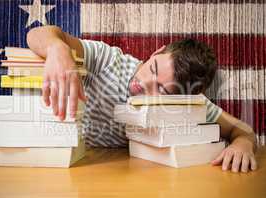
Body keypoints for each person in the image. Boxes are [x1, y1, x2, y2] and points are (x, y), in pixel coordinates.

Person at [27, 25, 257, 173]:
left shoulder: (189, 103)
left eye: (162, 91)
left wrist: (243, 144)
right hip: (76, 163)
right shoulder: (107, 60)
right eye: (154, 68)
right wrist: (58, 49)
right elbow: (37, 34)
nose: (144, 83)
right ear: (157, 52)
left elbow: (242, 130)